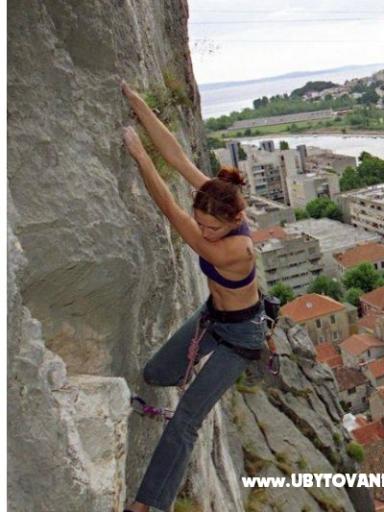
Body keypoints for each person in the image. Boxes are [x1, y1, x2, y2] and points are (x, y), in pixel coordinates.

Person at [121, 82, 266, 512]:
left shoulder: (233, 248)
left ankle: (149, 504)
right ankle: (189, 372)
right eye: (201, 222)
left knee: (186, 419)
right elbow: (177, 156)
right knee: (155, 373)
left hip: (241, 340)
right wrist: (136, 100)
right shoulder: (218, 199)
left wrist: (138, 156)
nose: (204, 231)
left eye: (211, 227)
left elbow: (170, 208)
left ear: (235, 219)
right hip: (213, 319)